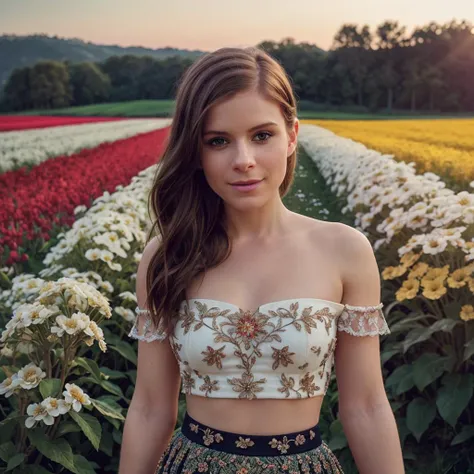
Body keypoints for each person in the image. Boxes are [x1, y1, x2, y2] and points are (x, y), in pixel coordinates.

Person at [119, 46, 404, 474]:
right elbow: (150, 408)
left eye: (262, 135)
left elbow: (365, 407)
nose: (243, 161)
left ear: (292, 136)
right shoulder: (168, 256)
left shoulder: (345, 250)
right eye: (218, 141)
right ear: (195, 152)